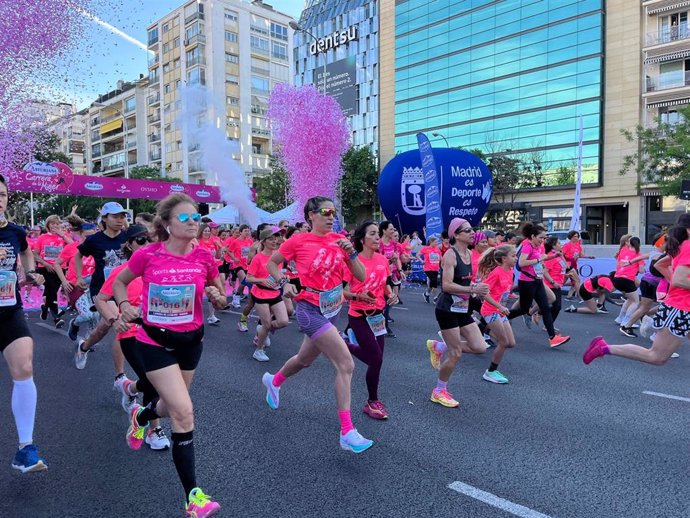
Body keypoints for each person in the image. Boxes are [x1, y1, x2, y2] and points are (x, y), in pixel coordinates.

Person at [113, 193, 226, 516]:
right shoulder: (148, 256)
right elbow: (121, 283)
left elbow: (219, 291)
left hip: (192, 341)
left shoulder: (205, 257)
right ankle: (193, 497)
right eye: (185, 218)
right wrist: (124, 305)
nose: (194, 223)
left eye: (196, 218)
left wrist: (219, 297)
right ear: (166, 224)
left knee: (167, 405)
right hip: (153, 342)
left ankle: (142, 415)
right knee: (183, 412)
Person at [262, 196, 375, 453]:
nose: (330, 216)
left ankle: (274, 381)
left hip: (333, 309)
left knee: (304, 360)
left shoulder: (340, 241)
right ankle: (347, 431)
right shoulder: (298, 240)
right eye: (325, 211)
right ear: (311, 215)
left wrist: (352, 253)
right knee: (346, 365)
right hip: (309, 310)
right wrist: (284, 282)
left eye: (334, 212)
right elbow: (272, 262)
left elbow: (361, 276)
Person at [94, 225, 170, 450]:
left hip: (160, 333)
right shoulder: (123, 271)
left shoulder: (162, 268)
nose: (146, 245)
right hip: (132, 334)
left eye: (150, 240)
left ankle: (130, 389)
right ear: (129, 245)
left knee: (159, 380)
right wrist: (113, 319)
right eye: (140, 240)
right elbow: (101, 299)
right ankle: (153, 430)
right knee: (156, 381)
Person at [584, 214, 690, 366]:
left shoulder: (681, 247)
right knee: (656, 356)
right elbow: (679, 279)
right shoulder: (687, 246)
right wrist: (673, 281)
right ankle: (604, 348)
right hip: (680, 308)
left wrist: (671, 280)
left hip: (683, 306)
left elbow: (661, 265)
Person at [0, 174, 48, 473]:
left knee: (25, 367)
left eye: (2, 194)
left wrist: (31, 272)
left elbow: (26, 252)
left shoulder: (15, 232)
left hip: (9, 310)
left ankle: (25, 448)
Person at [424, 218, 489, 407]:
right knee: (456, 353)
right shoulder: (450, 256)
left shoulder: (469, 253)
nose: (472, 233)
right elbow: (446, 285)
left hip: (462, 308)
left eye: (472, 229)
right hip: (446, 309)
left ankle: (440, 346)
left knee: (480, 347)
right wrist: (472, 290)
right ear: (456, 234)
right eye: (467, 230)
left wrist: (476, 289)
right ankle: (438, 391)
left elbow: (467, 282)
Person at [343, 221, 398, 419]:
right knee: (375, 358)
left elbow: (385, 284)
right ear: (362, 239)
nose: (377, 237)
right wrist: (358, 297)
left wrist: (391, 294)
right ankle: (372, 401)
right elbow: (342, 291)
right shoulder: (352, 261)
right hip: (358, 316)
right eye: (373, 234)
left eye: (378, 234)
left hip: (378, 316)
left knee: (377, 361)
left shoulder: (383, 260)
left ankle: (344, 345)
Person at [73, 202, 129, 371]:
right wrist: (79, 277)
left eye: (122, 216)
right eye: (115, 216)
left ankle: (83, 347)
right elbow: (78, 256)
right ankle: (121, 377)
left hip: (125, 287)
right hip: (102, 290)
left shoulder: (127, 238)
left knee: (103, 327)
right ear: (104, 218)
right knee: (120, 324)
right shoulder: (94, 240)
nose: (120, 220)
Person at [508, 222, 570, 348]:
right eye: (541, 237)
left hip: (537, 281)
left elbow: (541, 258)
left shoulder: (537, 246)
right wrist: (538, 260)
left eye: (545, 238)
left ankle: (553, 338)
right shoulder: (527, 245)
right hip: (527, 282)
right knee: (523, 309)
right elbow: (522, 262)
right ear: (533, 236)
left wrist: (554, 256)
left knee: (546, 307)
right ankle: (493, 320)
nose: (543, 240)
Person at [245, 226, 289, 362]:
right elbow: (248, 278)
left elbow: (280, 273)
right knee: (267, 324)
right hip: (260, 294)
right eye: (271, 239)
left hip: (275, 293)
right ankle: (258, 350)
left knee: (283, 321)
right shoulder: (258, 258)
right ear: (263, 241)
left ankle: (263, 330)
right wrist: (262, 280)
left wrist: (285, 278)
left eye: (276, 238)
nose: (275, 241)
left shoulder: (278, 257)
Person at [478, 245, 517, 383]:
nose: (516, 258)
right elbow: (484, 293)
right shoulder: (496, 272)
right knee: (504, 342)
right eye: (513, 256)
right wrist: (499, 306)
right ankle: (490, 372)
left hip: (500, 311)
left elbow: (504, 290)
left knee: (511, 343)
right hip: (490, 310)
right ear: (504, 258)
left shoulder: (511, 270)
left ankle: (481, 331)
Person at [620, 234, 670, 338]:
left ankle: (641, 317)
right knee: (646, 307)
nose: (668, 245)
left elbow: (640, 257)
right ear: (661, 244)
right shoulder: (658, 255)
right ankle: (626, 326)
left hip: (650, 283)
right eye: (666, 243)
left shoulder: (655, 253)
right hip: (649, 283)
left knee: (661, 305)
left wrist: (629, 262)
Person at [33, 214, 73, 328]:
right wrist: (46, 264)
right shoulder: (42, 237)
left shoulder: (64, 236)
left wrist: (62, 235)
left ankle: (45, 307)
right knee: (51, 290)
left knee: (52, 291)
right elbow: (35, 254)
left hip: (60, 269)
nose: (55, 225)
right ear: (48, 225)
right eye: (52, 223)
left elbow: (74, 246)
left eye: (57, 223)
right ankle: (56, 318)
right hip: (45, 268)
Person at [613, 235, 645, 328]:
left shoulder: (622, 250)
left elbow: (617, 259)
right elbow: (642, 270)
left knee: (630, 299)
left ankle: (620, 318)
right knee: (636, 301)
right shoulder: (639, 255)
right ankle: (626, 321)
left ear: (629, 243)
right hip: (627, 279)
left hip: (617, 278)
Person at [562, 231, 593, 300]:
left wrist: (588, 257)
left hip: (574, 265)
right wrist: (566, 261)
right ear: (570, 237)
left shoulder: (578, 246)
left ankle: (569, 296)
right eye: (574, 236)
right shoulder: (567, 245)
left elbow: (581, 255)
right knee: (577, 280)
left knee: (571, 282)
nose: (576, 238)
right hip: (568, 265)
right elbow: (561, 255)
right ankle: (581, 297)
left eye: (577, 236)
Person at [418, 236, 441, 303]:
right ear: (431, 242)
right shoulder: (426, 248)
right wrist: (422, 261)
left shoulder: (437, 249)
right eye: (435, 242)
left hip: (436, 269)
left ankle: (426, 294)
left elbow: (440, 258)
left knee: (432, 283)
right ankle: (435, 297)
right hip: (428, 268)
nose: (437, 243)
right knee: (434, 281)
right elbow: (417, 254)